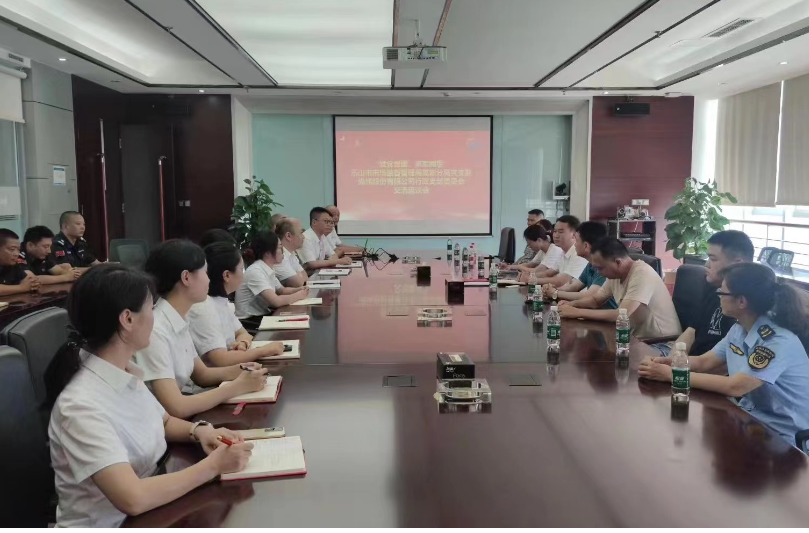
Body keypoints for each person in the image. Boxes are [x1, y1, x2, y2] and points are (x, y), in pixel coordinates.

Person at [43, 264, 252, 527]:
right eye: (151, 308)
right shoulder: (80, 406)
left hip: (156, 508)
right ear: (127, 319)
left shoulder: (122, 369)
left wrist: (200, 431)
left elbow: (163, 421)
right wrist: (213, 466)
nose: (155, 317)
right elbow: (133, 498)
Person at [639, 262, 809, 445]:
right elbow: (705, 362)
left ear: (741, 301)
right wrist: (668, 362)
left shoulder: (777, 341)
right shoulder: (739, 328)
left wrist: (672, 376)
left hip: (785, 435)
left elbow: (736, 386)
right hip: (750, 419)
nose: (718, 295)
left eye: (722, 292)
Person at [133, 240, 269, 419]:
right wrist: (236, 387)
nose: (209, 279)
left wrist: (242, 369)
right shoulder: (156, 331)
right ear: (186, 278)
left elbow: (202, 375)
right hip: (165, 425)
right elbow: (177, 407)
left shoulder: (178, 318)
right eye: (204, 272)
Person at [652, 230, 754, 357]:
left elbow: (720, 363)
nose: (706, 264)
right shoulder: (713, 288)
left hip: (705, 367)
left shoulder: (747, 305)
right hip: (689, 362)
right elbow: (690, 332)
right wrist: (673, 361)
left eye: (713, 259)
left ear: (737, 264)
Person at [559, 238, 681, 339]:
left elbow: (621, 315)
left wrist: (577, 312)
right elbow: (595, 300)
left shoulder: (642, 273)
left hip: (660, 344)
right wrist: (571, 304)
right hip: (635, 340)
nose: (598, 272)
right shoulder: (614, 276)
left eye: (600, 268)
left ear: (618, 262)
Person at [188, 242, 285, 366]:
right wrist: (263, 351)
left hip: (233, 367)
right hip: (220, 375)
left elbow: (243, 333)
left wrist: (242, 343)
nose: (243, 274)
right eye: (241, 269)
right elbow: (221, 360)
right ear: (227, 275)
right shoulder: (203, 307)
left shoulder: (221, 301)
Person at [234, 231, 310, 319]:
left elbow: (282, 290)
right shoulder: (255, 271)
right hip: (249, 320)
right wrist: (299, 295)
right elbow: (275, 301)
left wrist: (298, 290)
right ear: (267, 253)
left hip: (262, 315)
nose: (283, 252)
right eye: (280, 248)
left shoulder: (268, 267)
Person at [544, 221, 617, 309]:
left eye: (577, 241)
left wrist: (555, 293)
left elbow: (589, 296)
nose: (574, 244)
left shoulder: (604, 267)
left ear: (586, 246)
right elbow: (573, 287)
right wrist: (551, 290)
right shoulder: (590, 264)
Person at [519, 215, 587, 285]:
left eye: (560, 232)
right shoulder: (563, 252)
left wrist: (531, 279)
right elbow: (547, 273)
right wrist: (527, 276)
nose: (556, 235)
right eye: (555, 231)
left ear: (574, 235)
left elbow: (564, 280)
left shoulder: (579, 254)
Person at [299, 207, 351, 271]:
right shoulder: (306, 238)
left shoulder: (322, 237)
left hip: (319, 272)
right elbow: (312, 264)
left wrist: (332, 261)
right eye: (326, 221)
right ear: (314, 222)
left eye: (331, 222)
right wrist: (339, 261)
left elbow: (333, 254)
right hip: (308, 275)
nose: (330, 225)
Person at [0, 228, 40, 295]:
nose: (17, 254)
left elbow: (29, 281)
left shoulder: (13, 265)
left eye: (18, 249)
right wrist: (21, 288)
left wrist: (33, 284)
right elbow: (24, 287)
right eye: (12, 249)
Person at [274, 218, 309, 288]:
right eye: (301, 233)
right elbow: (298, 283)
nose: (303, 237)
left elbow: (305, 277)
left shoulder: (291, 253)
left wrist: (299, 276)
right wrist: (299, 275)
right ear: (288, 236)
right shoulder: (279, 256)